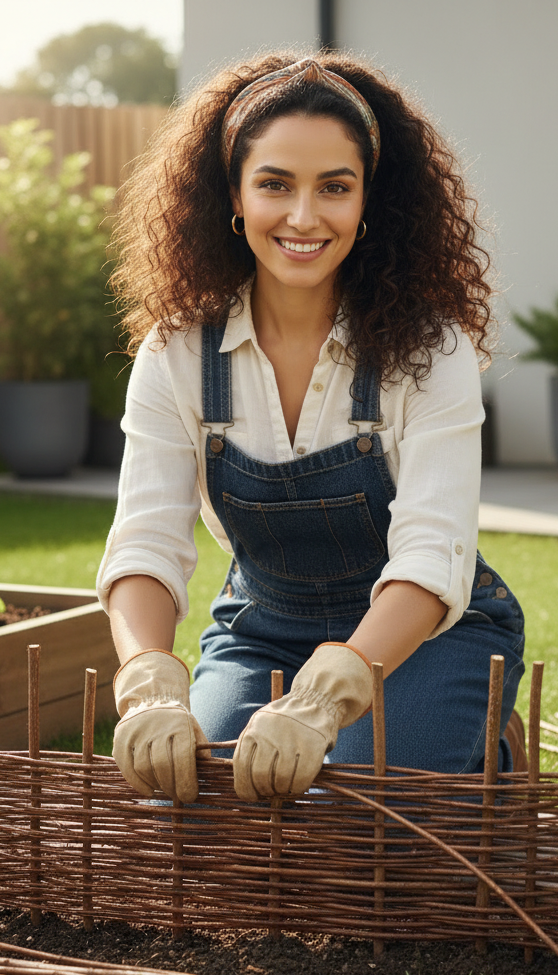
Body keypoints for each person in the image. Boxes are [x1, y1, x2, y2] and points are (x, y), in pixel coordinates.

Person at [97, 53, 526, 805]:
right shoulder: (177, 351)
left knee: (350, 811)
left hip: (424, 638)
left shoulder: (432, 350)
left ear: (368, 201)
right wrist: (147, 678)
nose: (303, 217)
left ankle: (485, 749)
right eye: (274, 184)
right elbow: (145, 541)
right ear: (233, 195)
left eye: (334, 186)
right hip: (263, 628)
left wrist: (327, 697)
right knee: (197, 801)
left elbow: (433, 553)